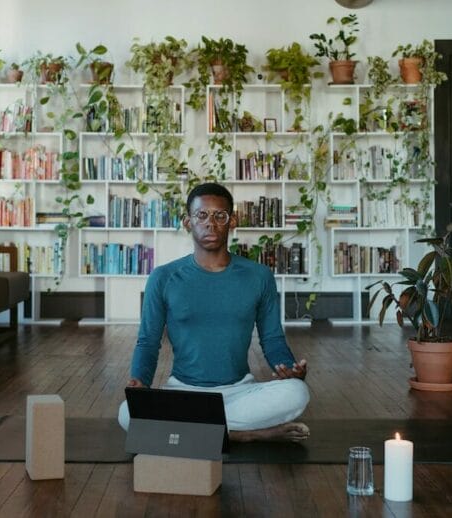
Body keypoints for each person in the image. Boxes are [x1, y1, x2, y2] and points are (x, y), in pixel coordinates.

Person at [117, 182, 310, 442]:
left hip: (240, 391)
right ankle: (243, 435)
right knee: (127, 413)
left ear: (232, 222)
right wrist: (140, 381)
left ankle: (196, 431)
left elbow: (272, 339)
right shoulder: (163, 277)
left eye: (220, 215)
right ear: (188, 222)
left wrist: (290, 370)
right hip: (182, 392)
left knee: (297, 393)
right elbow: (148, 342)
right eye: (202, 215)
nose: (210, 223)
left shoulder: (259, 276)